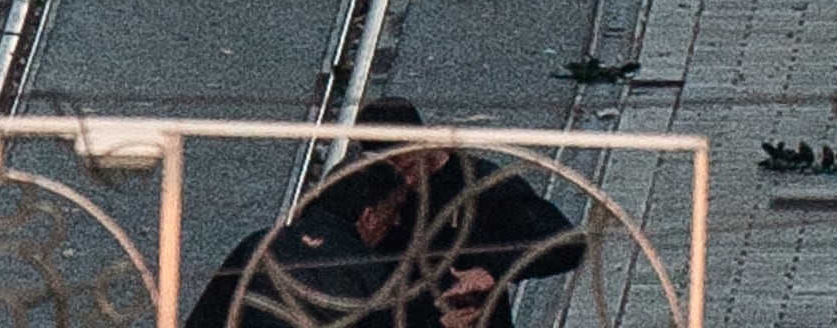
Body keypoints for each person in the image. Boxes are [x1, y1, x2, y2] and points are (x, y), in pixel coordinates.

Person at [186, 99, 585, 328]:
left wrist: (496, 268)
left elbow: (566, 244)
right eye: (389, 169)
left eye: (406, 164)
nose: (404, 183)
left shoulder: (479, 187)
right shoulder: (363, 186)